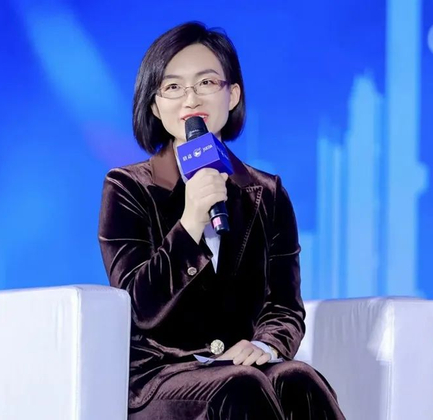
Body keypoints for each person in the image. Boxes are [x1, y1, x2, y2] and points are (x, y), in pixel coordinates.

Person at [98, 21, 346, 420]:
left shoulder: (267, 193)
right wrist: (191, 220)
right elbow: (139, 306)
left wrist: (264, 346)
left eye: (207, 82)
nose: (191, 98)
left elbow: (284, 306)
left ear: (232, 95)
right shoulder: (128, 188)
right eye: (173, 87)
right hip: (159, 377)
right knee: (240, 386)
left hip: (238, 367)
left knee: (298, 378)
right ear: (154, 106)